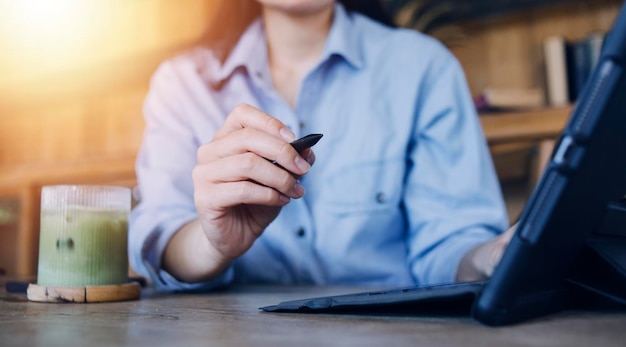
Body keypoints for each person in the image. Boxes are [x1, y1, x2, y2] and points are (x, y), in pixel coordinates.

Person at [129, 0, 514, 292]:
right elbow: (160, 234)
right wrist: (213, 245)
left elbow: (452, 243)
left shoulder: (423, 67)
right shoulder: (182, 85)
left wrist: (493, 257)